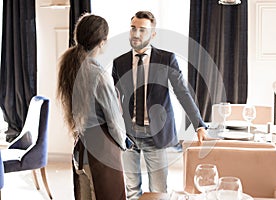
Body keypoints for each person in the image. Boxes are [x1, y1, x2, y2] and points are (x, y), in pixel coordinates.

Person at [112, 11, 208, 200]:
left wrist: (199, 124)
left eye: (142, 30)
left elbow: (182, 92)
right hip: (127, 135)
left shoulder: (166, 58)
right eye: (133, 28)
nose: (136, 34)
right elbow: (115, 98)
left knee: (158, 190)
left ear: (153, 34)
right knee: (131, 189)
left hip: (155, 134)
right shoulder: (119, 62)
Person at [57, 13, 128, 200]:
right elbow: (114, 121)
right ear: (102, 42)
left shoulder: (68, 68)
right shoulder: (99, 74)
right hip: (103, 152)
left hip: (80, 150)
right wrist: (123, 143)